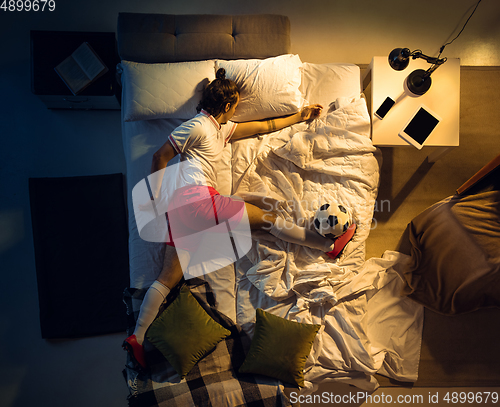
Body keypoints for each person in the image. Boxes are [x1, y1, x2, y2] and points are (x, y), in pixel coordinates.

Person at [123, 68, 354, 371]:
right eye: (236, 106)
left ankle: (137, 337)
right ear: (229, 106)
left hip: (185, 211)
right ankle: (326, 246)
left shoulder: (221, 129)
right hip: (199, 202)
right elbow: (159, 156)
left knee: (167, 279)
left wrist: (300, 115)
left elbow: (263, 125)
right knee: (269, 220)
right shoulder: (196, 126)